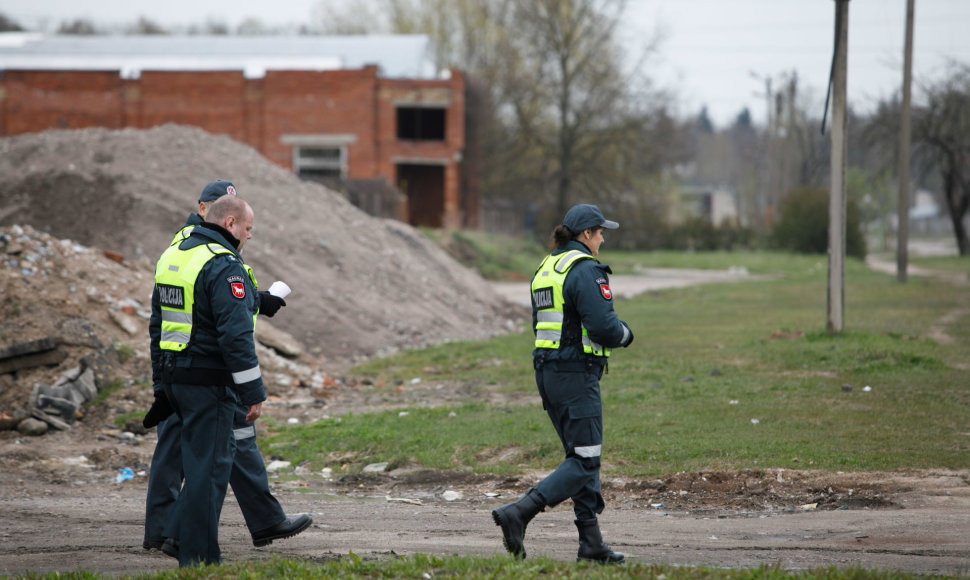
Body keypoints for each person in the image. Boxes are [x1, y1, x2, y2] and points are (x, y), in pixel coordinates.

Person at [143, 181, 308, 559]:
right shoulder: (221, 262)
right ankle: (194, 554)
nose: (249, 236)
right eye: (248, 229)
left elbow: (159, 324)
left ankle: (179, 537)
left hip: (176, 375)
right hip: (208, 379)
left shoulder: (177, 254)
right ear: (230, 222)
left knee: (205, 460)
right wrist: (253, 393)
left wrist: (159, 383)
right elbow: (235, 337)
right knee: (211, 469)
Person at [492, 203, 633, 564]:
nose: (603, 238)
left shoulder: (546, 266)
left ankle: (591, 545)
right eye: (600, 232)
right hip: (574, 374)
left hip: (549, 373)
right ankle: (520, 512)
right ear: (586, 234)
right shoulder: (584, 270)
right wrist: (626, 334)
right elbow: (603, 326)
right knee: (585, 461)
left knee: (581, 458)